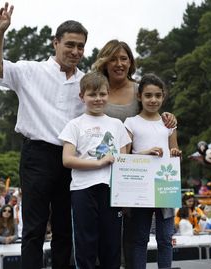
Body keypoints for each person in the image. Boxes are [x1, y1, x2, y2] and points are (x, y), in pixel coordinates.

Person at [0, 2, 88, 267]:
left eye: (80, 46)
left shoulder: (86, 82)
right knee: (34, 227)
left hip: (71, 158)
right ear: (55, 43)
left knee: (65, 229)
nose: (75, 51)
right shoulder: (31, 71)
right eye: (70, 44)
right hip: (37, 156)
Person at [92, 39, 177, 268]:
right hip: (98, 168)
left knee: (135, 236)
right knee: (102, 231)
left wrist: (169, 120)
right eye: (113, 58)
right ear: (105, 61)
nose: (119, 63)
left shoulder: (140, 89)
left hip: (137, 174)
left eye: (124, 58)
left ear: (131, 62)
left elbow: (156, 117)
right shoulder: (96, 87)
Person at [59, 71, 131, 268]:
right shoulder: (74, 125)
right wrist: (98, 163)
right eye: (92, 94)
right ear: (82, 96)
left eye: (102, 94)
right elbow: (67, 159)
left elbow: (125, 161)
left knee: (112, 244)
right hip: (83, 190)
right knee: (85, 243)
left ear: (108, 94)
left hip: (111, 192)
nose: (98, 99)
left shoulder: (117, 125)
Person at [122, 73, 181, 269]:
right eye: (148, 95)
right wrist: (145, 153)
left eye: (157, 95)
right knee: (140, 239)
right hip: (141, 187)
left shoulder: (169, 124)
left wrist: (175, 153)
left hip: (165, 185)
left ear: (163, 96)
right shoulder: (130, 122)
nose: (153, 100)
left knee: (165, 239)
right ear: (139, 96)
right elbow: (124, 157)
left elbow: (175, 153)